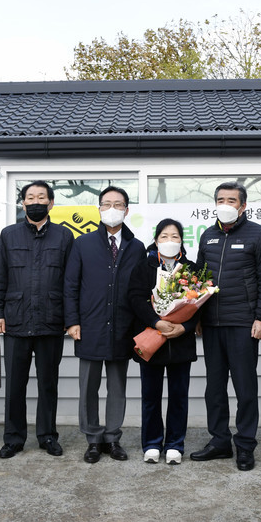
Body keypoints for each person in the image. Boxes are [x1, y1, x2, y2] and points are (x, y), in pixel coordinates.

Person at [192, 181, 261, 471]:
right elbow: (198, 281)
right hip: (212, 324)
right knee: (214, 388)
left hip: (243, 323)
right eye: (220, 199)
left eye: (231, 200)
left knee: (245, 388)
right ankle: (219, 442)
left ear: (243, 206)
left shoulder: (259, 235)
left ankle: (245, 445)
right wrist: (197, 318)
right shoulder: (207, 235)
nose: (225, 204)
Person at [0, 181, 74, 459]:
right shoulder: (9, 235)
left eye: (41, 197)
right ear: (22, 203)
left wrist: (70, 317)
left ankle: (47, 435)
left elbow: (70, 282)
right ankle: (13, 438)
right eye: (30, 197)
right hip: (15, 320)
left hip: (51, 320)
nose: (35, 201)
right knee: (15, 384)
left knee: (48, 383)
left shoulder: (64, 236)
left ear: (51, 203)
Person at [65, 186, 145, 464]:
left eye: (118, 204)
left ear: (126, 209)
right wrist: (72, 321)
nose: (112, 209)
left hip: (123, 327)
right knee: (88, 386)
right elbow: (71, 285)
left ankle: (112, 437)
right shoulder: (83, 243)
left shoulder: (136, 247)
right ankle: (92, 438)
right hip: (89, 325)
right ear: (99, 209)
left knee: (117, 386)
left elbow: (140, 291)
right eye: (107, 204)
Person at [128, 218, 198, 465]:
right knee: (151, 396)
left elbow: (198, 306)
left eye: (175, 236)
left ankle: (175, 445)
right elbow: (135, 298)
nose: (170, 241)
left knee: (179, 396)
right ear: (156, 241)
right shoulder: (143, 266)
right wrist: (156, 322)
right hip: (151, 340)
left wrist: (184, 326)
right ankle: (151, 443)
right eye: (164, 236)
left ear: (182, 241)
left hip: (180, 342)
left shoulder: (191, 268)